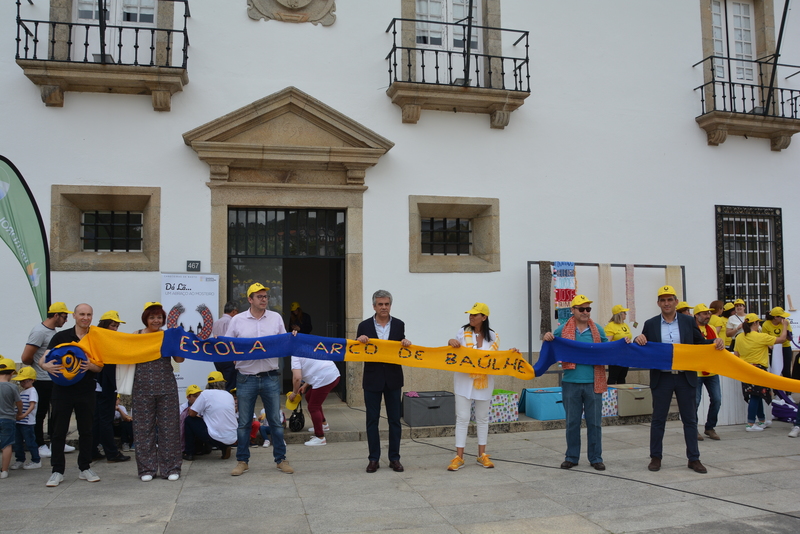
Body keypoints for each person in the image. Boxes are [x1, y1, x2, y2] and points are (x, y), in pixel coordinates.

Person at [634, 286, 723, 474]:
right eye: (663, 300)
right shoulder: (650, 324)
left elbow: (699, 343)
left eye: (670, 299)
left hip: (685, 377)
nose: (666, 303)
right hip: (662, 378)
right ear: (658, 303)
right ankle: (656, 457)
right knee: (658, 420)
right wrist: (638, 339)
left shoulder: (688, 321)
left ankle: (694, 458)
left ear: (675, 301)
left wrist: (714, 342)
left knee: (690, 420)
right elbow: (643, 345)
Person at [227, 282, 293, 476]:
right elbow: (228, 346)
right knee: (244, 423)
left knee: (275, 421)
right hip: (246, 378)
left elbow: (285, 341)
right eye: (259, 297)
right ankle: (242, 461)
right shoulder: (237, 320)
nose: (264, 300)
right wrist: (237, 362)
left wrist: (294, 337)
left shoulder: (276, 318)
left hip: (270, 377)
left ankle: (281, 459)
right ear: (250, 299)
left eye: (265, 297)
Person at [447, 302, 518, 471]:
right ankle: (459, 456)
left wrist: (511, 353)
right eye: (470, 314)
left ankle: (482, 455)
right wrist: (451, 341)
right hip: (463, 381)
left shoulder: (493, 336)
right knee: (462, 418)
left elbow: (496, 358)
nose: (471, 317)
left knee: (482, 418)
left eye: (475, 315)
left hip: (484, 382)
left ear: (484, 317)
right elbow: (453, 349)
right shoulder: (462, 333)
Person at [543, 295, 610, 471]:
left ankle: (596, 457)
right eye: (581, 309)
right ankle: (571, 457)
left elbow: (608, 349)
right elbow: (551, 343)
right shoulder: (563, 330)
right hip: (571, 382)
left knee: (595, 422)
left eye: (588, 309)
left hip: (594, 383)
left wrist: (623, 344)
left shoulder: (598, 330)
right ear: (573, 310)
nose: (585, 312)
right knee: (572, 422)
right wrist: (547, 336)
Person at [40, 303, 104, 487]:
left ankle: (85, 467)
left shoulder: (96, 337)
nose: (86, 317)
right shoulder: (60, 336)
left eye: (89, 314)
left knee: (86, 430)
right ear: (74, 316)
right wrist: (45, 366)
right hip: (62, 391)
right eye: (82, 314)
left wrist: (91, 366)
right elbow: (44, 358)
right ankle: (57, 471)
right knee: (58, 432)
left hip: (86, 391)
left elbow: (100, 366)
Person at [357, 289, 411, 473]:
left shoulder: (398, 325)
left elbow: (400, 348)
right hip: (372, 379)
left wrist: (405, 342)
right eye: (380, 304)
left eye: (386, 304)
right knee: (372, 420)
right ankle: (374, 459)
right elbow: (357, 350)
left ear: (390, 305)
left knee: (394, 420)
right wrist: (360, 341)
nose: (384, 307)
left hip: (393, 379)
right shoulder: (364, 326)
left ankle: (394, 458)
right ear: (374, 306)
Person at [132, 302, 184, 482]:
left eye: (159, 317)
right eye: (152, 317)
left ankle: (171, 468)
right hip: (141, 388)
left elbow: (180, 359)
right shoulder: (136, 336)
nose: (156, 320)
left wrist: (177, 340)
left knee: (169, 429)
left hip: (167, 387)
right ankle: (146, 469)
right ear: (145, 318)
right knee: (142, 429)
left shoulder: (168, 335)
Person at [20, 302, 74, 459]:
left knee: (57, 412)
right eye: (64, 317)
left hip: (54, 379)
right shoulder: (39, 332)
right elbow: (26, 357)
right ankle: (39, 444)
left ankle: (56, 441)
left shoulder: (52, 332)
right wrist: (38, 367)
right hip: (42, 379)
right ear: (56, 315)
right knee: (40, 413)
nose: (66, 320)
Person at [733, 313, 788, 432]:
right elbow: (782, 339)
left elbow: (736, 355)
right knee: (755, 396)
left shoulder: (739, 337)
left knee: (756, 395)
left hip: (745, 368)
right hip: (758, 369)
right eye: (758, 322)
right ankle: (750, 423)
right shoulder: (760, 336)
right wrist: (785, 326)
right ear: (755, 324)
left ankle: (762, 420)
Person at [92, 311, 131, 463]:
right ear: (104, 325)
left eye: (117, 326)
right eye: (113, 325)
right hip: (105, 385)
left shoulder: (96, 338)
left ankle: (92, 450)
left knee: (97, 420)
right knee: (105, 420)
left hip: (99, 386)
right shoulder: (104, 340)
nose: (115, 329)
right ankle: (112, 453)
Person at [288, 355, 340, 446]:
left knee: (313, 407)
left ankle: (320, 437)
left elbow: (297, 378)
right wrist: (305, 385)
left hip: (324, 378)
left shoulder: (295, 356)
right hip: (332, 374)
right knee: (309, 397)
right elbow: (316, 368)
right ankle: (323, 424)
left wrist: (294, 393)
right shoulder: (309, 346)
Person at [183, 381, 237, 461]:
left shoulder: (205, 394)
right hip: (232, 437)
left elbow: (191, 414)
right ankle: (224, 447)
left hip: (214, 437)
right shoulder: (228, 395)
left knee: (189, 420)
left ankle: (189, 453)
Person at [693, 303, 722, 441]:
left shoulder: (711, 328)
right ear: (697, 315)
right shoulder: (691, 329)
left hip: (711, 370)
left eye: (709, 313)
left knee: (717, 400)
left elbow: (715, 346)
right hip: (696, 372)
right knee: (695, 402)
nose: (708, 316)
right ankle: (693, 429)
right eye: (704, 313)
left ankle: (710, 427)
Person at [10, 366, 41, 470]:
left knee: (30, 441)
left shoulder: (32, 391)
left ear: (32, 380)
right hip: (19, 421)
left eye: (24, 381)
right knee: (17, 442)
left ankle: (36, 460)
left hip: (27, 422)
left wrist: (24, 415)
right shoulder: (23, 392)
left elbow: (32, 405)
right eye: (21, 381)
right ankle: (20, 459)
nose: (22, 383)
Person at [0, 358, 23, 480]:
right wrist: (19, 413)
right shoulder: (12, 387)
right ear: (10, 373)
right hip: (8, 418)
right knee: (7, 445)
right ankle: (4, 470)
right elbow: (19, 403)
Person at [212, 302, 238, 391]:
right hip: (228, 356)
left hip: (217, 356)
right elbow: (232, 341)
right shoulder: (232, 322)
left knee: (222, 382)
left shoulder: (216, 322)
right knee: (230, 384)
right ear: (234, 311)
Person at [761, 307, 793, 378]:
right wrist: (770, 346)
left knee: (786, 370)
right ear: (776, 317)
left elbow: (789, 338)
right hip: (774, 349)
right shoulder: (766, 324)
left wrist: (785, 327)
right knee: (775, 370)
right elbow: (765, 338)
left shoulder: (785, 323)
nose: (784, 318)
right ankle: (776, 388)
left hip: (785, 347)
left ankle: (788, 388)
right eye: (782, 317)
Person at [605, 304, 632, 385]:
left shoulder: (625, 325)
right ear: (620, 314)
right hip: (615, 356)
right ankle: (610, 396)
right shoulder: (610, 326)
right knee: (613, 377)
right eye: (624, 313)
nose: (626, 314)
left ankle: (622, 396)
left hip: (625, 356)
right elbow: (607, 342)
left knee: (622, 377)